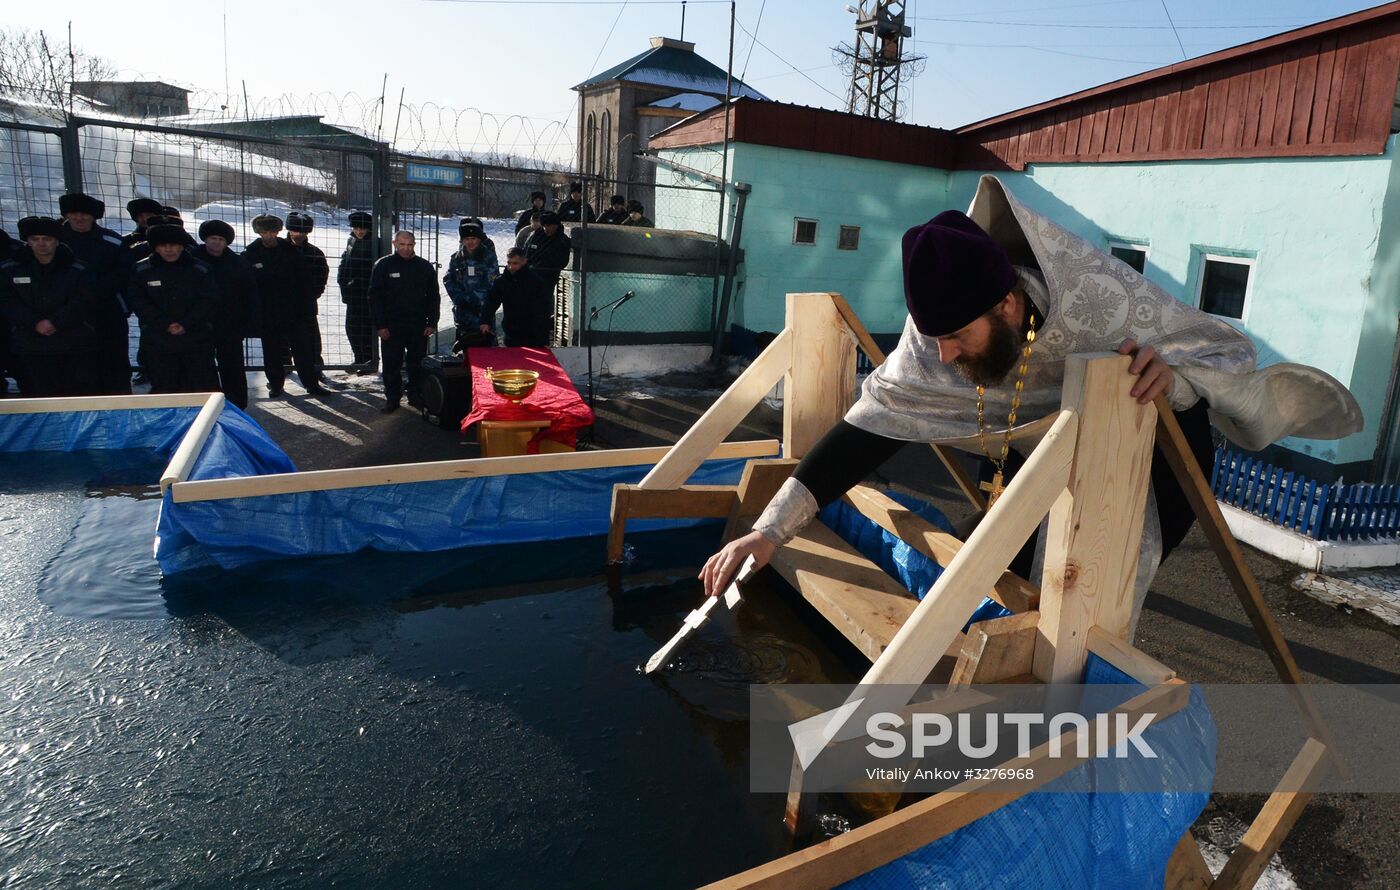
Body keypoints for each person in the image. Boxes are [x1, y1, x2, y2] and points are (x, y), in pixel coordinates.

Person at [699, 177, 1307, 639]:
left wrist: (1173, 381)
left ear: (1010, 306)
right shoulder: (938, 333)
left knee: (1088, 611)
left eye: (959, 337)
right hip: (1035, 453)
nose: (944, 354)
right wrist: (769, 530)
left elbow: (1224, 355)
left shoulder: (1105, 305)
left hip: (1155, 455)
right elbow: (871, 426)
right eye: (934, 338)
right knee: (997, 578)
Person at [0, 216, 99, 396]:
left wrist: (55, 321)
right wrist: (35, 322)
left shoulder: (78, 269)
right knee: (36, 396)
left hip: (72, 343)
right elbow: (7, 302)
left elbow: (84, 300)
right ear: (27, 241)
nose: (41, 244)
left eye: (47, 239)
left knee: (74, 396)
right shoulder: (8, 269)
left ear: (57, 241)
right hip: (29, 344)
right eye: (35, 239)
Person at [126, 221, 219, 394]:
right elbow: (138, 300)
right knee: (164, 388)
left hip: (195, 339)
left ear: (182, 246)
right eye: (163, 245)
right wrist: (164, 324)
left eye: (174, 245)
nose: (169, 249)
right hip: (158, 339)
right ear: (155, 247)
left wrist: (186, 324)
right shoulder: (141, 270)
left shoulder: (201, 269)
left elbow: (208, 300)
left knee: (202, 387)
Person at [57, 192, 132, 395]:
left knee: (114, 365)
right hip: (64, 315)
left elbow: (126, 275)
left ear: (94, 216)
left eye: (84, 214)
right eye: (73, 213)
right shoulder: (52, 241)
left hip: (107, 312)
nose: (79, 218)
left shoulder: (112, 242)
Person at [244, 214, 326, 397]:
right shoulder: (251, 254)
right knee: (272, 352)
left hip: (294, 312)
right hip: (268, 312)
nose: (269, 236)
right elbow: (248, 286)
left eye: (272, 232)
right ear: (259, 232)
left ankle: (311, 384)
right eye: (265, 232)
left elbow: (305, 282)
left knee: (303, 350)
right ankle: (275, 384)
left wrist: (305, 307)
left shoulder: (291, 252)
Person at [368, 230, 439, 414]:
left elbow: (433, 297)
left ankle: (415, 394)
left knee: (416, 362)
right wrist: (380, 325)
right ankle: (392, 397)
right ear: (394, 243)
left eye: (410, 245)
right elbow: (374, 297)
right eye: (402, 244)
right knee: (392, 363)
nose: (406, 249)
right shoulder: (384, 265)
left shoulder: (424, 267)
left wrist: (432, 322)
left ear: (414, 245)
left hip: (417, 325)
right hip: (392, 325)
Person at [193, 219, 256, 408]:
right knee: (203, 366)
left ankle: (237, 404)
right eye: (213, 238)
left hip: (230, 323)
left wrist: (249, 322)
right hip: (199, 322)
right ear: (205, 238)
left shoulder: (238, 263)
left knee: (233, 365)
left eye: (221, 239)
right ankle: (208, 404)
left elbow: (250, 293)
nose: (216, 242)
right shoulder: (192, 260)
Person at [285, 210, 329, 380]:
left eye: (303, 232)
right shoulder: (279, 250)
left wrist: (311, 295)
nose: (299, 235)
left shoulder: (315, 253)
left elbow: (321, 278)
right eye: (295, 231)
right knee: (282, 341)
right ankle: (283, 368)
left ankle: (315, 369)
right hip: (281, 305)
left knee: (311, 341)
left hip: (306, 305)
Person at [444, 217, 498, 350]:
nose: (470, 242)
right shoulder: (456, 258)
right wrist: (459, 299)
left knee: (486, 350)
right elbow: (449, 279)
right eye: (467, 239)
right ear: (462, 240)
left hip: (483, 314)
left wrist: (481, 303)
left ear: (479, 239)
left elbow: (493, 283)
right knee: (464, 350)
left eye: (473, 238)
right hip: (463, 313)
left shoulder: (488, 257)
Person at [480, 247, 552, 348]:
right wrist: (485, 321)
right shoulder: (503, 281)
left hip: (532, 336)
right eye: (509, 263)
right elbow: (491, 301)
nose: (511, 267)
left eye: (515, 263)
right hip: (511, 334)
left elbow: (542, 312)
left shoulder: (535, 283)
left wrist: (543, 339)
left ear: (524, 262)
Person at [337, 210, 376, 371]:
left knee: (366, 329)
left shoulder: (375, 243)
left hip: (366, 293)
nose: (359, 231)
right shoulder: (351, 240)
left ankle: (368, 361)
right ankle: (359, 358)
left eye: (363, 228)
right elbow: (345, 260)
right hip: (352, 293)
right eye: (356, 228)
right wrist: (343, 281)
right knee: (352, 328)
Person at [524, 210, 571, 291]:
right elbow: (527, 252)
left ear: (556, 226)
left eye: (549, 226)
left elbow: (563, 261)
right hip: (531, 274)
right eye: (544, 226)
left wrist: (545, 264)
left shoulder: (562, 240)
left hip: (549, 277)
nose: (546, 229)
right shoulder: (536, 235)